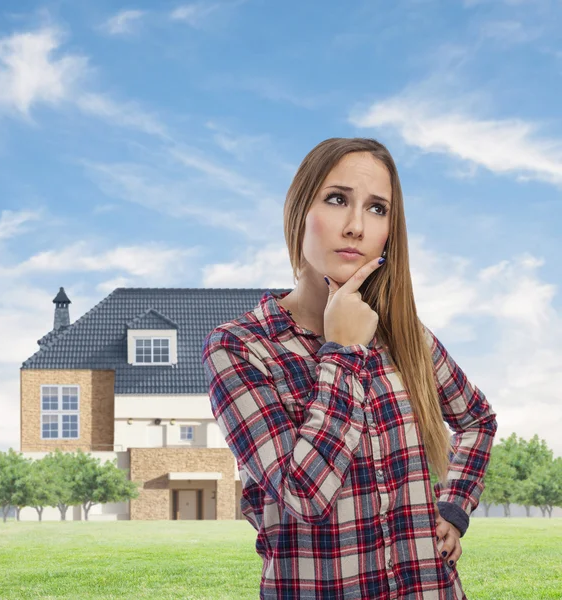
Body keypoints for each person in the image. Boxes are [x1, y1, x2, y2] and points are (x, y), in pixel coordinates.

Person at [202, 137, 497, 599]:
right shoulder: (239, 347)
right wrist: (342, 351)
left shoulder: (405, 334)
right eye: (338, 200)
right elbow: (304, 494)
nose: (356, 226)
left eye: (377, 209)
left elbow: (477, 420)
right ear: (299, 211)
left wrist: (454, 508)